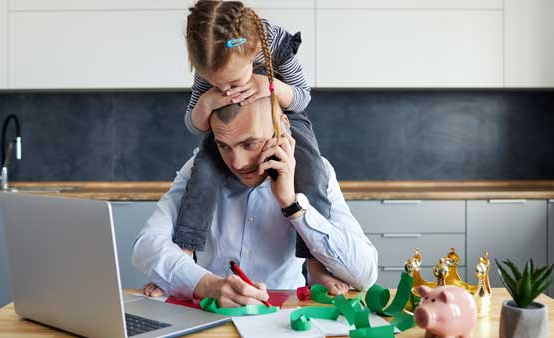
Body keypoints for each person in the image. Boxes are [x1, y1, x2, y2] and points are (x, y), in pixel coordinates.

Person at [132, 97, 378, 306]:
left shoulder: (316, 171)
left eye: (249, 144)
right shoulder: (199, 171)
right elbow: (146, 246)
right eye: (224, 146)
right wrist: (204, 285)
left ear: (281, 126)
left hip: (285, 319)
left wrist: (292, 204)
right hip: (212, 315)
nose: (237, 162)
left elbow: (365, 274)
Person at [172, 0, 338, 287]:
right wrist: (208, 101)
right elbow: (193, 123)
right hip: (231, 129)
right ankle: (185, 250)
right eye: (217, 83)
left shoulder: (272, 43)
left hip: (283, 116)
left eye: (233, 80)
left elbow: (302, 96)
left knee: (311, 168)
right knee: (205, 168)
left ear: (252, 52)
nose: (226, 89)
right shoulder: (210, 57)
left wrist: (270, 86)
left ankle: (315, 262)